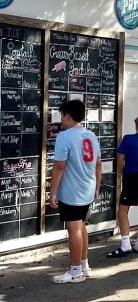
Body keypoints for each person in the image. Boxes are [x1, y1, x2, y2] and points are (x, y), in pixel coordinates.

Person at [49, 99, 102, 284]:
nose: (60, 119)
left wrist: (52, 192)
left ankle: (75, 271)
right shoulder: (91, 135)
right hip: (87, 189)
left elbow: (59, 166)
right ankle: (84, 265)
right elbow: (98, 164)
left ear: (68, 116)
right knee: (81, 227)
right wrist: (97, 187)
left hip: (72, 191)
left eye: (62, 115)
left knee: (74, 230)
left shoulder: (64, 137)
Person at [108, 113, 138, 259]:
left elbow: (120, 158)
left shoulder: (128, 139)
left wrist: (122, 173)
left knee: (122, 211)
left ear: (137, 124)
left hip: (131, 176)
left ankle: (125, 244)